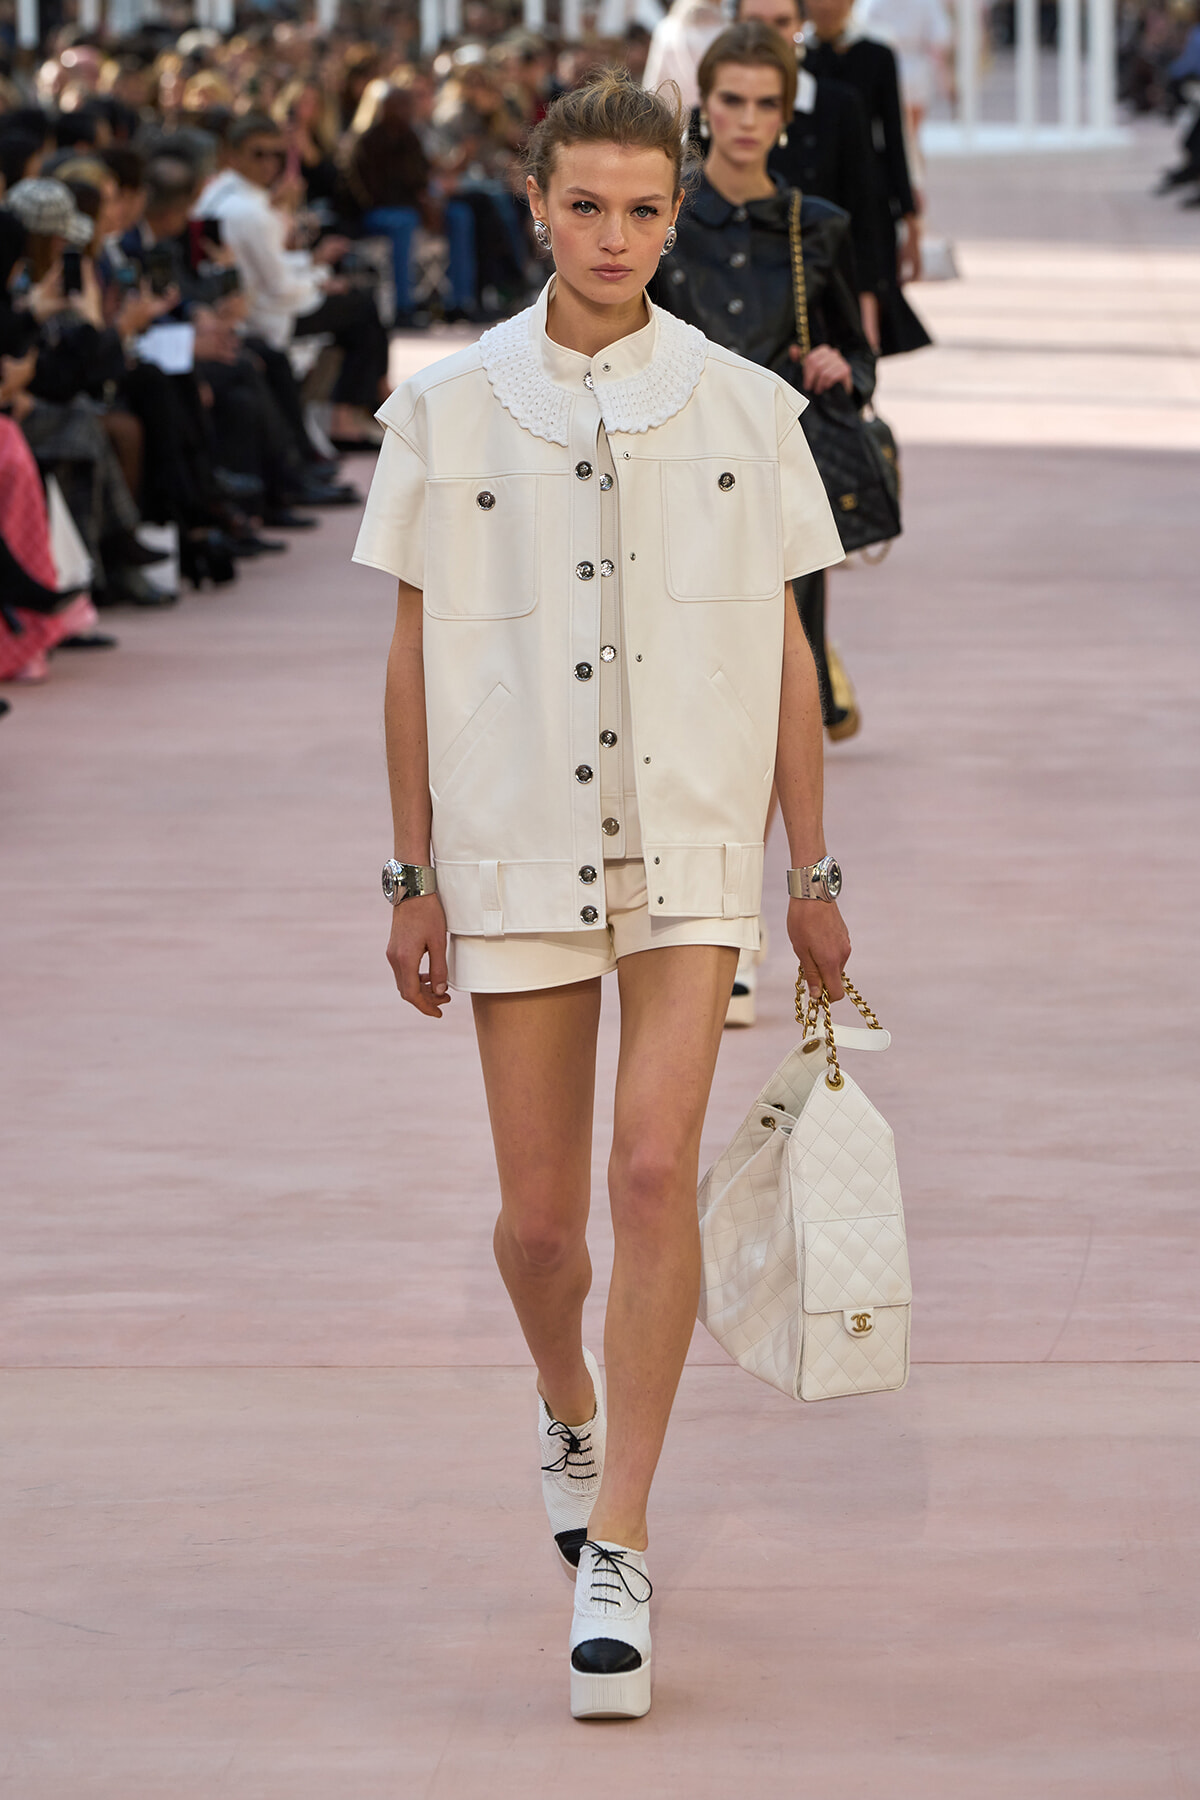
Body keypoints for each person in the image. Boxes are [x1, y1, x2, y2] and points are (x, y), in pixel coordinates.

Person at [353, 71, 850, 1720]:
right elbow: (414, 654)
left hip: (692, 833)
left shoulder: (741, 404)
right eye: (589, 206)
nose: (621, 236)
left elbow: (785, 646)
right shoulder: (446, 407)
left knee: (653, 1175)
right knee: (542, 1221)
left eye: (646, 209)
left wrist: (816, 875)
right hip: (508, 837)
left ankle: (621, 1532)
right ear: (538, 200)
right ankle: (563, 1399)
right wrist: (410, 868)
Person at [652, 20, 873, 1023]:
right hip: (667, 489)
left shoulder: (813, 225)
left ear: (787, 115)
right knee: (684, 718)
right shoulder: (659, 219)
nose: (744, 122)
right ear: (704, 105)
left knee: (774, 718)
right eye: (728, 101)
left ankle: (741, 920)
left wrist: (838, 369)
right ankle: (717, 935)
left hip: (778, 498)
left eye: (764, 104)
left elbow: (858, 362)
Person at [197, 112, 389, 450]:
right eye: (259, 154)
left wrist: (313, 266)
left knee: (354, 302)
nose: (269, 163)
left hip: (255, 302)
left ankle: (361, 406)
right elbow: (282, 289)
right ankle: (350, 416)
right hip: (265, 315)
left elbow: (271, 265)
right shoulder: (250, 209)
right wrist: (319, 279)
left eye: (277, 154)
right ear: (234, 154)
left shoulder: (221, 194)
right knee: (361, 307)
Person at [802, 0, 930, 356]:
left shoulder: (876, 54)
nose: (827, 6)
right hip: (812, 193)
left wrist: (910, 215)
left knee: (870, 299)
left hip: (867, 202)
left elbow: (894, 138)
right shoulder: (795, 57)